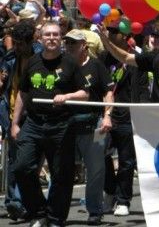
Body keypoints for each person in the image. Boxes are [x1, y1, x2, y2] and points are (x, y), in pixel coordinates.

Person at [11, 21, 89, 227]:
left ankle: (55, 218)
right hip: (34, 123)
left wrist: (68, 96)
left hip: (61, 124)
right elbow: (23, 92)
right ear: (41, 38)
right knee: (22, 168)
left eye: (56, 35)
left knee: (61, 174)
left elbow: (85, 93)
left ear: (60, 39)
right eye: (48, 35)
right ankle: (39, 212)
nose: (52, 38)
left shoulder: (70, 63)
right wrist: (15, 123)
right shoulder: (33, 62)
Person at [63, 29, 114, 225]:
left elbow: (108, 93)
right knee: (60, 170)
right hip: (66, 125)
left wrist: (107, 116)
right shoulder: (62, 65)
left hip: (94, 124)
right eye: (67, 43)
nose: (69, 47)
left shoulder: (96, 65)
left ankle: (95, 210)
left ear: (84, 45)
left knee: (96, 170)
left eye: (73, 43)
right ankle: (55, 211)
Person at [98, 26, 149, 217]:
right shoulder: (103, 57)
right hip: (106, 114)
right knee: (101, 155)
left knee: (126, 161)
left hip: (128, 115)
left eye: (114, 32)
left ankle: (123, 200)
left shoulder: (136, 58)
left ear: (126, 36)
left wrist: (141, 113)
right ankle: (110, 191)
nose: (110, 35)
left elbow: (142, 87)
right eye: (109, 32)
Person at [0, 19, 39, 221]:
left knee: (28, 162)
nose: (18, 47)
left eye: (21, 43)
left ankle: (29, 203)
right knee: (14, 159)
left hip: (33, 115)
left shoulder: (41, 56)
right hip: (11, 111)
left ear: (31, 41)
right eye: (15, 43)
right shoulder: (10, 57)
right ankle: (15, 203)